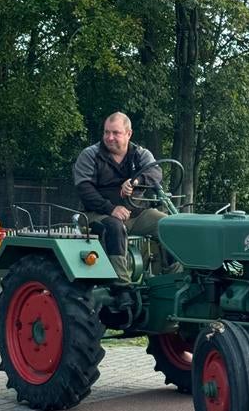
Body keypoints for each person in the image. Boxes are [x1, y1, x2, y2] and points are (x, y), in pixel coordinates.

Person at [73, 112, 174, 283]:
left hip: (135, 213)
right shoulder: (90, 155)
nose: (110, 137)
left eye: (116, 133)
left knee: (170, 225)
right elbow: (85, 190)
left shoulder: (140, 154)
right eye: (106, 132)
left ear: (129, 134)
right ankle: (122, 286)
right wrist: (111, 209)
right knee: (115, 227)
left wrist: (136, 180)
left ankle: (173, 281)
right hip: (96, 214)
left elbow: (156, 173)